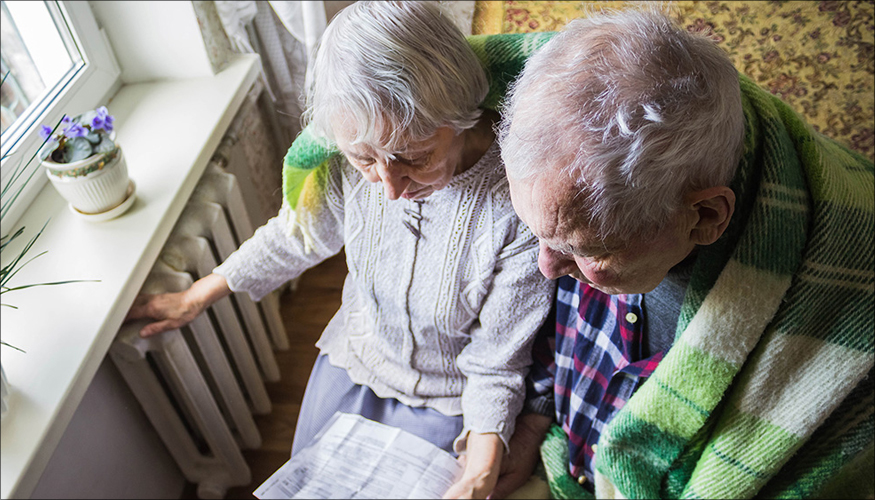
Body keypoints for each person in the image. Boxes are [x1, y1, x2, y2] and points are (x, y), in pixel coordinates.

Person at [126, 2, 554, 498]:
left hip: (453, 398)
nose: (389, 187)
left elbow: (497, 359)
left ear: (462, 117)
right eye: (364, 158)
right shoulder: (347, 165)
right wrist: (196, 295)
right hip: (356, 361)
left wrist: (480, 470)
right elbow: (297, 235)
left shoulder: (520, 202)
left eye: (414, 157)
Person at [489, 8, 874, 500]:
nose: (547, 267)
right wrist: (529, 428)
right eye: (541, 235)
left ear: (706, 216)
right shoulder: (589, 204)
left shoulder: (842, 316)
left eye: (586, 249)